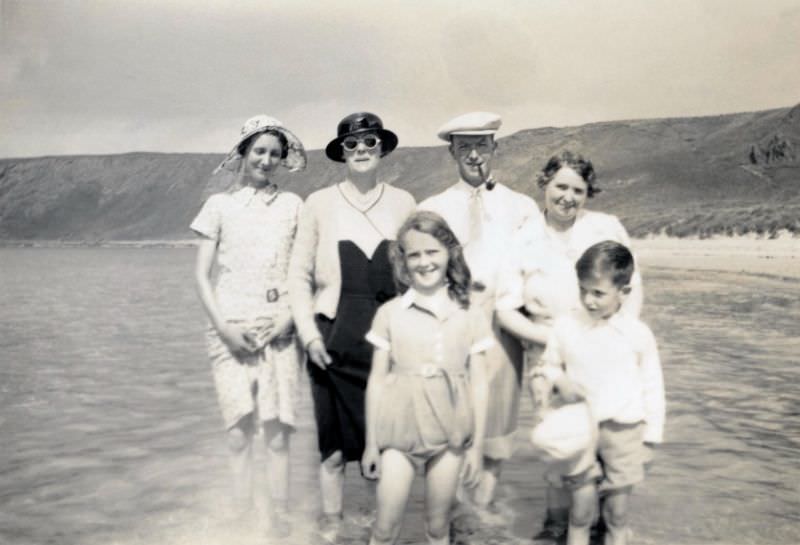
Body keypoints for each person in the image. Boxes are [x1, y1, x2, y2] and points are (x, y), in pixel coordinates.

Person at [495, 150, 643, 542]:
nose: (568, 197)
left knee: (607, 440)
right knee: (560, 441)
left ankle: (600, 525)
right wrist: (555, 341)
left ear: (588, 192)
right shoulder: (522, 237)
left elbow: (633, 289)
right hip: (546, 355)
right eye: (561, 186)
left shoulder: (606, 227)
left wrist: (620, 340)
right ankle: (556, 524)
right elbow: (505, 307)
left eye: (578, 190)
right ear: (545, 185)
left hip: (605, 352)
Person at [288, 112, 416, 534]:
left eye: (370, 142)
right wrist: (308, 336)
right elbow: (298, 276)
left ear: (382, 148)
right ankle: (331, 531)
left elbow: (418, 273)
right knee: (332, 450)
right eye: (352, 144)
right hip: (330, 337)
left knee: (380, 447)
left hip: (386, 345)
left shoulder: (404, 202)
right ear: (341, 153)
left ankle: (375, 532)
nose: (361, 150)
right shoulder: (319, 203)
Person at [418, 111, 542, 507]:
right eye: (465, 146)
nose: (474, 155)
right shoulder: (432, 208)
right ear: (451, 151)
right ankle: (450, 517)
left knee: (495, 434)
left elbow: (537, 271)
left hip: (502, 327)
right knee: (447, 429)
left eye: (482, 145)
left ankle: (482, 518)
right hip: (449, 327)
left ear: (495, 147)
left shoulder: (521, 207)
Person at [191, 114, 307, 535]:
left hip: (280, 328)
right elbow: (203, 276)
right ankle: (240, 521)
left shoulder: (294, 206)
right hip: (230, 329)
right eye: (259, 151)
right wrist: (223, 328)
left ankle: (279, 523)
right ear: (243, 153)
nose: (267, 159)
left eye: (275, 154)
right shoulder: (218, 206)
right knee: (239, 431)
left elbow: (304, 271)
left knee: (277, 434)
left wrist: (289, 319)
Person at [361, 211, 492, 545]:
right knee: (385, 528)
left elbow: (479, 384)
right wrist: (371, 444)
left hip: (451, 434)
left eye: (432, 251)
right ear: (403, 262)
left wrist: (476, 448)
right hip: (398, 432)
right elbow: (376, 381)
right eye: (414, 254)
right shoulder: (389, 313)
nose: (424, 261)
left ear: (450, 253)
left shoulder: (470, 312)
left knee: (438, 528)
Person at [530, 240, 665, 545]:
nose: (588, 300)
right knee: (580, 513)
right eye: (583, 290)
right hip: (579, 431)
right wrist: (554, 380)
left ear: (624, 291)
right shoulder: (567, 326)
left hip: (624, 431)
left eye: (598, 293)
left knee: (617, 515)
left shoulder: (638, 334)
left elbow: (652, 387)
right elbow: (547, 365)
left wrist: (651, 440)